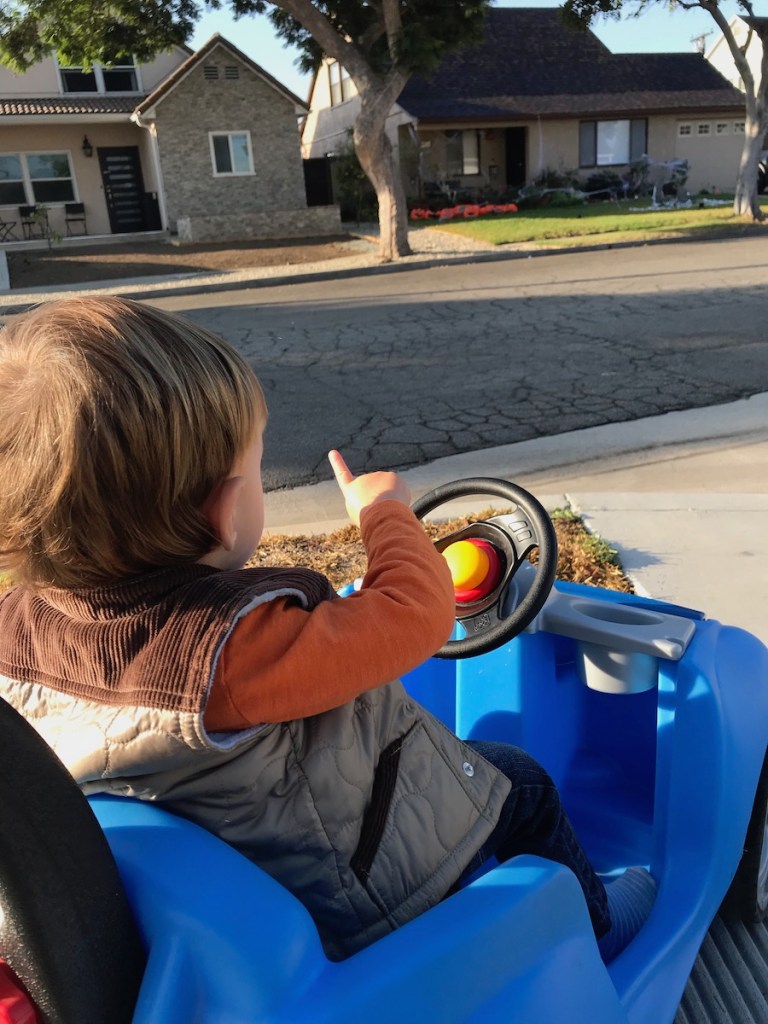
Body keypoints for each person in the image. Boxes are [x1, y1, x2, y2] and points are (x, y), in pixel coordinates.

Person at [0, 296, 654, 964]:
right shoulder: (234, 650)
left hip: (241, 865)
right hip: (361, 885)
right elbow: (416, 613)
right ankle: (599, 936)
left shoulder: (12, 635)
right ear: (226, 516)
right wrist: (385, 516)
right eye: (256, 470)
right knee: (521, 780)